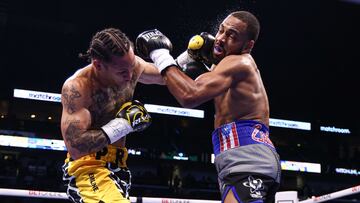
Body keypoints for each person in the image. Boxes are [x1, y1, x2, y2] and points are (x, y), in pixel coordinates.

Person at [136, 11, 281, 203]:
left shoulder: (239, 62)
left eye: (232, 36)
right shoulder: (220, 67)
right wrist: (129, 64)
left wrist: (160, 53)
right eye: (221, 30)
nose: (221, 38)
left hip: (247, 157)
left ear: (248, 45)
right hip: (240, 158)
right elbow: (164, 76)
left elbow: (189, 95)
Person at [60, 28, 164, 203]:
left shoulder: (130, 66)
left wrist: (190, 57)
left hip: (119, 166)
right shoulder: (78, 87)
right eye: (122, 72)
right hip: (88, 167)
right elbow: (76, 146)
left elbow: (165, 77)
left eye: (132, 67)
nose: (130, 75)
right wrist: (123, 125)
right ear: (98, 65)